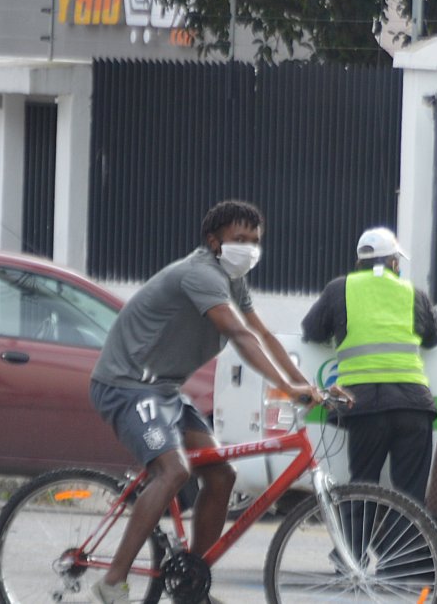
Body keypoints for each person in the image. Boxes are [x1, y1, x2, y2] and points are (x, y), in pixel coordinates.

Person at [88, 200, 339, 604]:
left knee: (222, 475)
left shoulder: (232, 281)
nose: (250, 248)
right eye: (240, 239)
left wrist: (306, 384)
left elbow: (264, 336)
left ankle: (191, 585)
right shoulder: (201, 273)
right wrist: (287, 388)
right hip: (127, 385)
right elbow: (240, 336)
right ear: (213, 241)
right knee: (174, 471)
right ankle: (111, 583)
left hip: (164, 390)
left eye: (255, 240)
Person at [300, 226, 437, 503]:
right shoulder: (413, 293)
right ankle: (405, 533)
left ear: (359, 264)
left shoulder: (339, 289)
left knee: (362, 489)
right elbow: (436, 335)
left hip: (364, 406)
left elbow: (312, 330)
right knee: (410, 499)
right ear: (394, 263)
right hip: (413, 405)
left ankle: (356, 533)